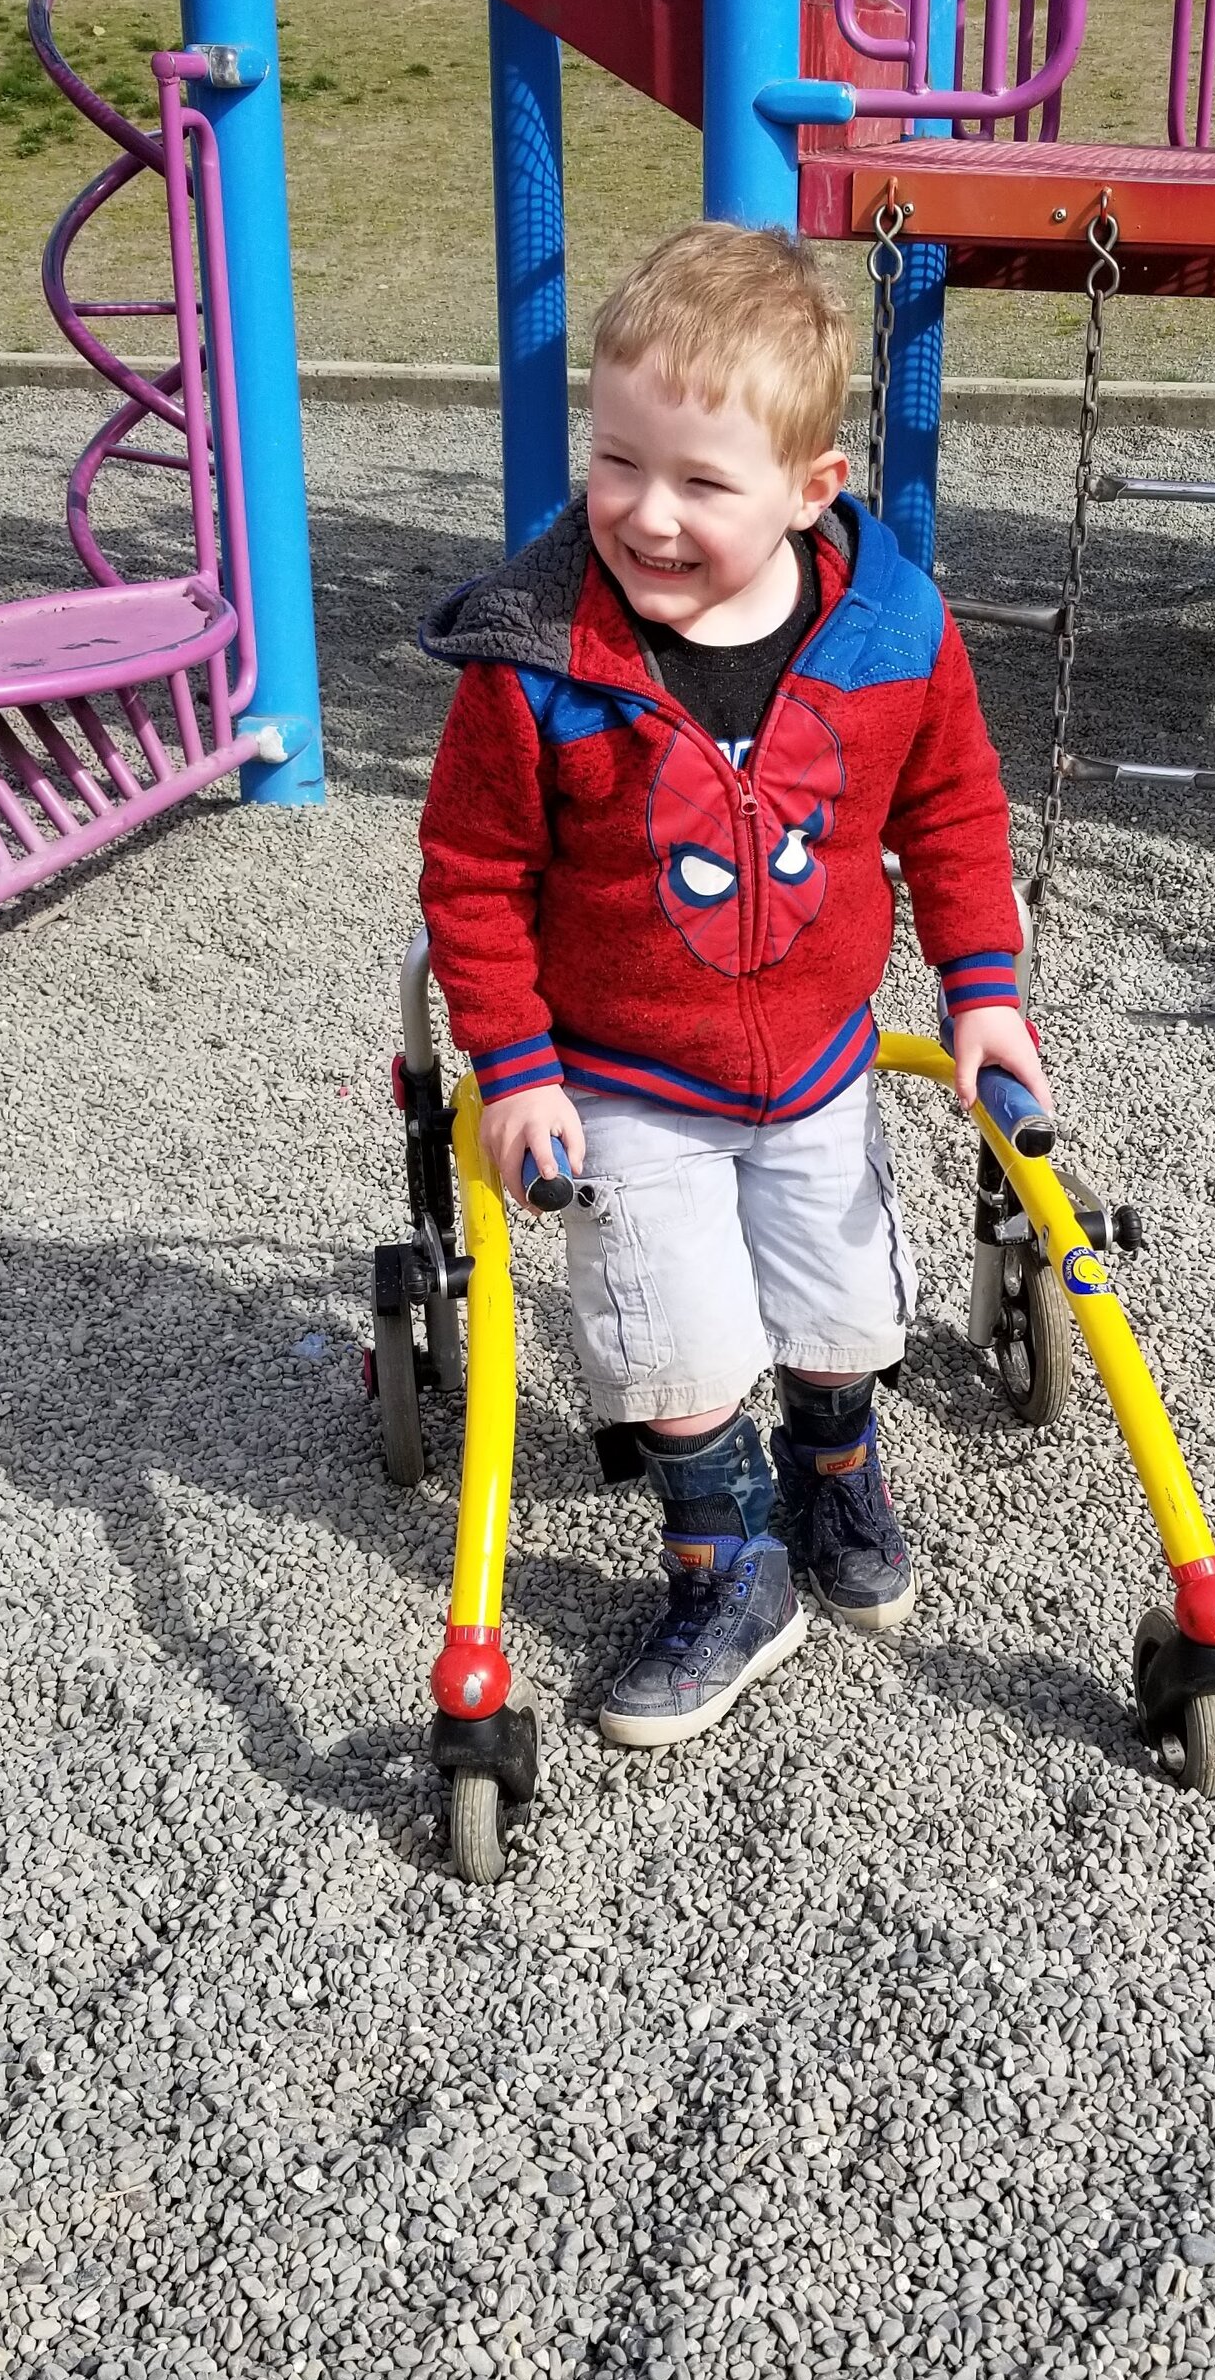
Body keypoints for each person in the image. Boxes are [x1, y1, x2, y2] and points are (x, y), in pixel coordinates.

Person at [416, 222, 1047, 1751]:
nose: (645, 512)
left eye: (703, 483)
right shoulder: (540, 668)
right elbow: (474, 878)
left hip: (823, 1057)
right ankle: (726, 1567)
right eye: (618, 461)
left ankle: (836, 1469)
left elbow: (952, 810)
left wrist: (981, 990)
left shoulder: (890, 630)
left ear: (810, 489)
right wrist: (514, 1070)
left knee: (843, 1310)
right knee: (675, 1337)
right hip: (625, 1075)